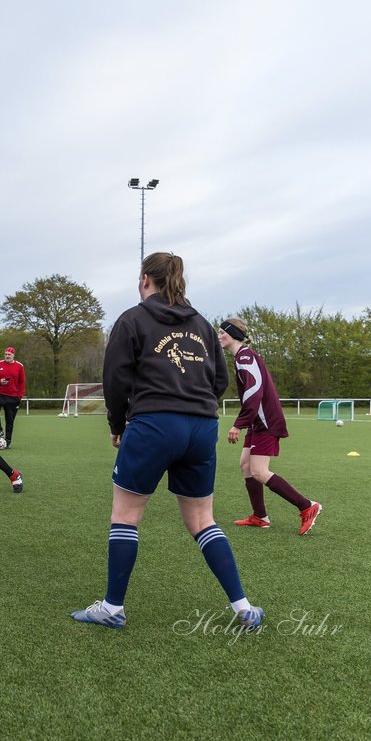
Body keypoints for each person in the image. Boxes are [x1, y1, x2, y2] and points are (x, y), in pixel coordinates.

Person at [70, 252, 263, 631]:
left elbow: (115, 381)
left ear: (145, 280)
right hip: (201, 427)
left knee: (126, 516)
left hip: (154, 425)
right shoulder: (204, 326)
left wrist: (117, 424)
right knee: (202, 519)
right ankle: (243, 608)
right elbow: (219, 381)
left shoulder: (132, 319)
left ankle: (112, 608)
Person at [217, 316, 323, 534]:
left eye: (222, 332)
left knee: (258, 470)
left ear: (233, 335)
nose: (219, 336)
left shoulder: (245, 357)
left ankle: (307, 506)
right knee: (246, 465)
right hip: (257, 421)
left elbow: (254, 391)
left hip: (265, 421)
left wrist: (238, 424)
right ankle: (260, 516)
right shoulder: (242, 357)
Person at [0, 346, 26, 448]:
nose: (7, 356)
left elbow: (22, 382)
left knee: (10, 420)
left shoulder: (19, 366)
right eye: (6, 354)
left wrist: (20, 396)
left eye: (9, 354)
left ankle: (8, 441)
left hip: (13, 397)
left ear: (13, 355)